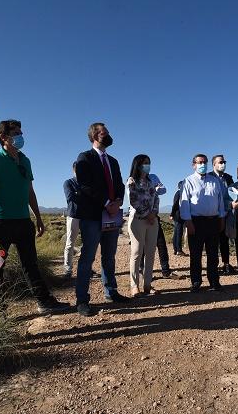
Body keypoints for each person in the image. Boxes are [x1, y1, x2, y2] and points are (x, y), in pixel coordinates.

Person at [0, 120, 71, 315]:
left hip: (24, 224)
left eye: (20, 132)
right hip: (0, 225)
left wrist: (38, 218)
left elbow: (30, 192)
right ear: (3, 137)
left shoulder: (25, 160)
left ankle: (44, 302)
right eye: (15, 133)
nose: (20, 136)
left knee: (30, 264)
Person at [73, 122, 128, 317]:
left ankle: (111, 291)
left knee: (109, 256)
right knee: (88, 257)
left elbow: (119, 183)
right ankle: (82, 300)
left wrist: (118, 201)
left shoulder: (113, 161)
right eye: (104, 133)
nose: (108, 135)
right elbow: (85, 185)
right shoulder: (85, 158)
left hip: (112, 214)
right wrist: (106, 202)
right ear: (95, 136)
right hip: (93, 216)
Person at [179, 154, 226, 292]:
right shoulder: (188, 181)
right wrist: (188, 222)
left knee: (213, 254)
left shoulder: (214, 181)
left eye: (204, 162)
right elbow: (184, 204)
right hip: (196, 222)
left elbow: (220, 202)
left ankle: (214, 281)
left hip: (213, 221)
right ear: (193, 164)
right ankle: (196, 281)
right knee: (196, 254)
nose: (202, 164)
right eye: (199, 162)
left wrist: (222, 219)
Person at [127, 155, 160, 296]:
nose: (148, 165)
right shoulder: (131, 181)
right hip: (138, 219)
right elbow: (133, 200)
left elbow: (156, 198)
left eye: (149, 163)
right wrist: (147, 214)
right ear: (138, 165)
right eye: (145, 163)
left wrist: (153, 212)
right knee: (136, 252)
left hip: (152, 221)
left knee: (151, 253)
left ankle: (147, 284)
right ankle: (134, 286)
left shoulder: (150, 182)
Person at [139, 172, 175, 278]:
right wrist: (154, 190)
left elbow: (163, 189)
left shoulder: (153, 177)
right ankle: (141, 270)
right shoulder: (134, 179)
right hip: (141, 216)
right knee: (141, 245)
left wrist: (156, 190)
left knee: (161, 244)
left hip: (154, 215)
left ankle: (166, 270)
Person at [210, 155, 235, 274]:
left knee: (224, 239)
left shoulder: (228, 178)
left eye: (224, 162)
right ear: (214, 164)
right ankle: (213, 265)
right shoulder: (208, 177)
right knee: (213, 240)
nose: (223, 164)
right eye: (220, 162)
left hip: (226, 213)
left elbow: (233, 193)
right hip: (213, 214)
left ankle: (226, 264)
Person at [63, 162, 81, 279]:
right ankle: (68, 269)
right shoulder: (68, 183)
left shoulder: (87, 183)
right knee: (70, 244)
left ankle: (85, 268)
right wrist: (83, 195)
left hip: (86, 217)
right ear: (73, 170)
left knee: (87, 245)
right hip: (73, 216)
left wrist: (78, 194)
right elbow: (70, 197)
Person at [170, 180, 187, 256]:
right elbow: (175, 204)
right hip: (179, 215)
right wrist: (172, 214)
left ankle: (175, 249)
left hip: (177, 215)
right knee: (179, 233)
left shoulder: (177, 193)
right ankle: (179, 250)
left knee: (177, 232)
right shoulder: (180, 193)